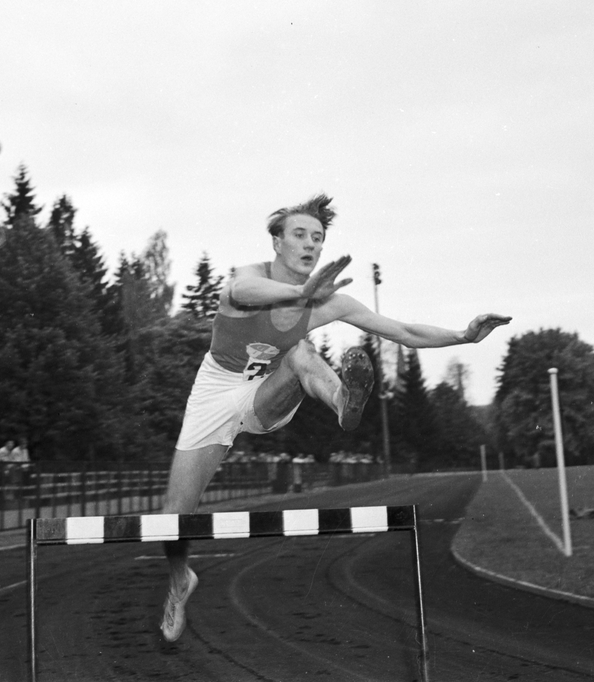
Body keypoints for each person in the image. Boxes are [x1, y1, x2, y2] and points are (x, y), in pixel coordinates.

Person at [158, 193, 511, 642]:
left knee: (301, 352)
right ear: (277, 244)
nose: (310, 245)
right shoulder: (252, 277)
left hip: (266, 393)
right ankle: (178, 581)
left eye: (318, 238)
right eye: (299, 235)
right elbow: (238, 292)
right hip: (214, 393)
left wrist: (464, 336)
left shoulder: (330, 303)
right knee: (174, 515)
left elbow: (402, 331)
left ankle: (344, 401)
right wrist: (301, 293)